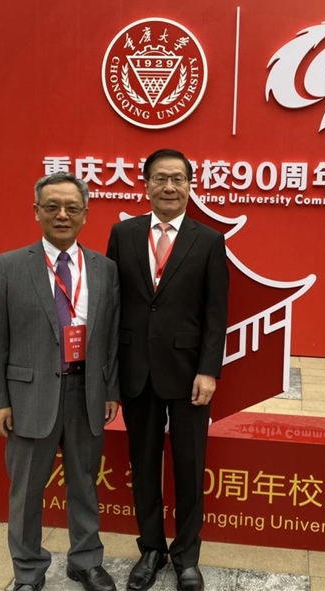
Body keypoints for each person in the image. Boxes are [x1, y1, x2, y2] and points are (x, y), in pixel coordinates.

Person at [0, 172, 121, 591]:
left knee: (85, 483)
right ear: (36, 211)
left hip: (86, 392)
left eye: (72, 208)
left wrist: (110, 389)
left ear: (85, 214)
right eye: (52, 206)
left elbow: (111, 336)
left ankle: (85, 561)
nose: (62, 215)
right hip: (29, 396)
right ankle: (28, 571)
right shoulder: (10, 265)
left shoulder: (104, 269)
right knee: (26, 490)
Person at [106, 149, 229, 591]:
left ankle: (186, 556)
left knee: (190, 467)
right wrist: (110, 374)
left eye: (178, 178)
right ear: (146, 185)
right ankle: (151, 549)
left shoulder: (208, 240)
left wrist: (209, 370)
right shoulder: (123, 234)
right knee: (143, 465)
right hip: (136, 370)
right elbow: (112, 305)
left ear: (191, 185)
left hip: (188, 373)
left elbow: (216, 312)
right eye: (160, 178)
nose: (169, 187)